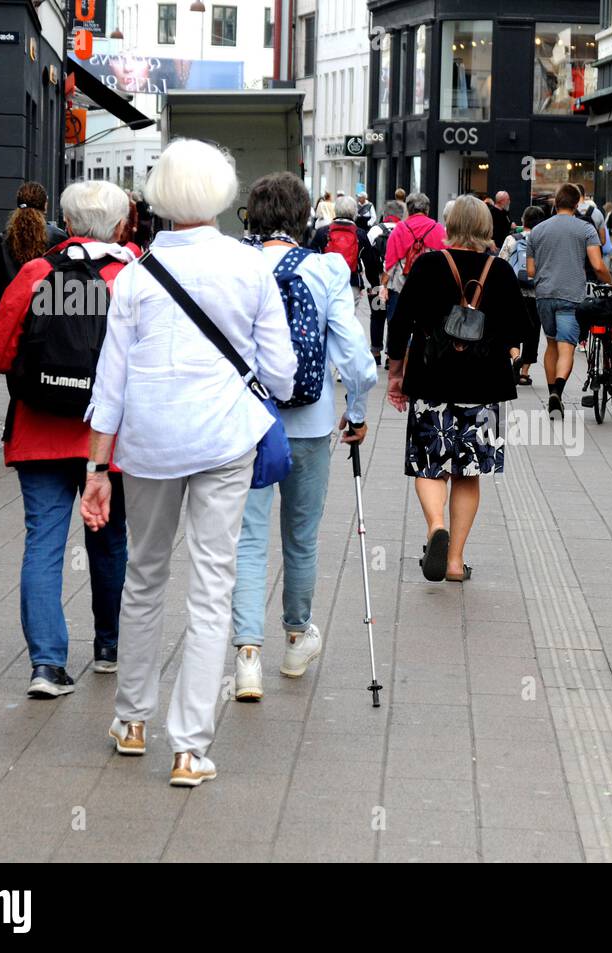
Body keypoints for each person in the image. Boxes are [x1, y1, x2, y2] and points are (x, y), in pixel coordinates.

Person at [80, 138, 297, 786]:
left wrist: (96, 469)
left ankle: (132, 719)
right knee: (213, 585)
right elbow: (283, 376)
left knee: (144, 576)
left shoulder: (138, 276)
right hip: (223, 441)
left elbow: (109, 384)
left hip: (148, 444)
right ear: (223, 193)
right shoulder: (251, 267)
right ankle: (189, 748)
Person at [0, 180, 136, 698]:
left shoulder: (35, 272)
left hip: (38, 432)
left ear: (66, 225)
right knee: (109, 541)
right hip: (108, 442)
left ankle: (46, 664)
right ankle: (109, 647)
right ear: (120, 226)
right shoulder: (133, 277)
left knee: (43, 545)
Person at [230, 172, 377, 702]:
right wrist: (356, 412)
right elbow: (357, 360)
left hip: (245, 421)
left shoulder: (233, 264)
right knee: (301, 535)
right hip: (310, 424)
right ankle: (296, 637)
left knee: (247, 539)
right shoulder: (325, 269)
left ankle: (247, 657)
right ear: (301, 220)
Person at [385, 195, 523, 582]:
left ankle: (434, 528)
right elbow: (518, 328)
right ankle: (455, 561)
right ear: (486, 228)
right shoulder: (501, 270)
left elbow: (400, 323)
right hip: (483, 385)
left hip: (432, 379)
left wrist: (396, 373)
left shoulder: (428, 265)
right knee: (469, 472)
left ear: (449, 226)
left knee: (429, 465)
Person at [526, 183, 612, 418]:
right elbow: (598, 265)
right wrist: (611, 284)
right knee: (566, 346)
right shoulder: (585, 229)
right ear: (577, 203)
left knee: (550, 345)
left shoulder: (537, 231)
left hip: (544, 295)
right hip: (571, 295)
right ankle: (558, 391)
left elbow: (530, 270)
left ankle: (550, 394)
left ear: (555, 203)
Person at [0, 182, 67, 329]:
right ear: (45, 205)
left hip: (11, 313)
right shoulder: (58, 237)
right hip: (45, 315)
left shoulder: (3, 238)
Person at [498, 203, 547, 386]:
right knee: (532, 332)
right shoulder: (543, 241)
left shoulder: (512, 239)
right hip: (536, 293)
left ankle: (515, 357)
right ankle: (525, 373)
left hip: (514, 293)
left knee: (512, 328)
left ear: (523, 221)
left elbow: (501, 263)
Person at [310, 194, 383, 304]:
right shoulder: (360, 234)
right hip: (352, 284)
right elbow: (370, 264)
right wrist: (375, 286)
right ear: (354, 212)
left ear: (336, 211)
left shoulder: (322, 232)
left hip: (326, 284)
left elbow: (312, 259)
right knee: (348, 317)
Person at [384, 192, 447, 299]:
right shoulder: (438, 229)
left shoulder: (400, 228)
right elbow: (446, 259)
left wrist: (384, 285)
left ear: (408, 209)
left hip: (402, 286)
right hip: (431, 287)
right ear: (427, 210)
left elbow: (391, 260)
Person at [368, 198, 406, 366]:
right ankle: (391, 356)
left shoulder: (374, 230)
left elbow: (368, 258)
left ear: (385, 213)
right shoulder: (404, 230)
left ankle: (375, 352)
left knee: (377, 316)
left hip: (378, 281)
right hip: (397, 283)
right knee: (395, 319)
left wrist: (371, 283)